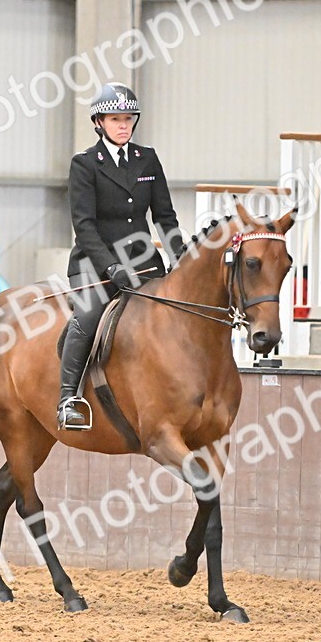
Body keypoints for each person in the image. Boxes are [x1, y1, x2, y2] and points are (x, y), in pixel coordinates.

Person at [56, 82, 183, 430]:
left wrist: (178, 254)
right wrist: (110, 267)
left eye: (128, 118)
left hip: (143, 261)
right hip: (95, 263)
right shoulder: (85, 164)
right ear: (99, 122)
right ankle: (68, 398)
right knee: (90, 315)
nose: (123, 125)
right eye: (116, 119)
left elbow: (164, 216)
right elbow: (84, 225)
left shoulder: (147, 159)